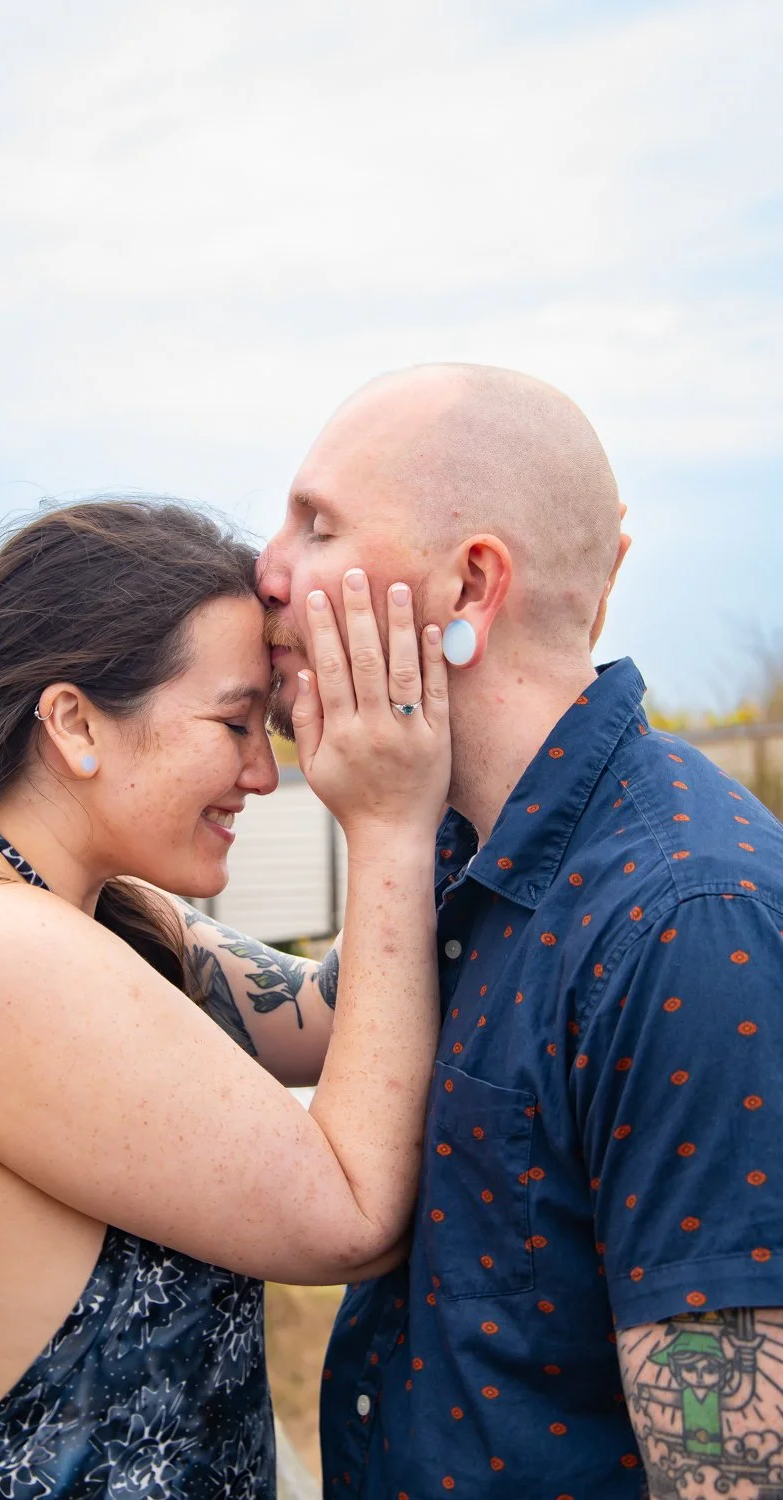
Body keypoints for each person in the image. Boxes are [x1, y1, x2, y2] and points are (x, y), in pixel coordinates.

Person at [0, 499, 452, 1500]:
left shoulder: (87, 911)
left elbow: (326, 1012)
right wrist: (391, 827)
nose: (263, 775)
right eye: (234, 724)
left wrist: (436, 752)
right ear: (74, 722)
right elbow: (349, 1216)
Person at [250, 363, 783, 1498]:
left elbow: (729, 1472)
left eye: (316, 524)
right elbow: (296, 1013)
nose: (268, 569)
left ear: (470, 585)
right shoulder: (465, 849)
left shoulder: (682, 918)